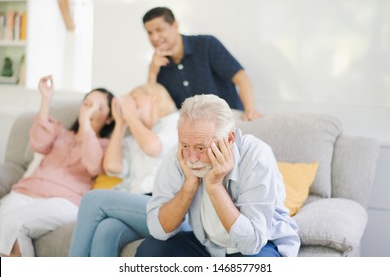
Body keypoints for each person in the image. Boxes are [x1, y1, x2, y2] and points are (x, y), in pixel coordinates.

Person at [135, 94, 300, 257]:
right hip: (209, 246)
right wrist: (189, 186)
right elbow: (159, 231)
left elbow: (251, 244)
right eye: (185, 145)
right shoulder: (180, 155)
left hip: (262, 245)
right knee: (150, 251)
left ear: (229, 138)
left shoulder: (257, 156)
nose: (191, 158)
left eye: (200, 148)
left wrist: (215, 186)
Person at [0, 75, 115, 257]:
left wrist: (86, 122)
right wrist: (46, 99)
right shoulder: (60, 132)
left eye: (99, 108)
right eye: (87, 104)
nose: (90, 110)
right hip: (26, 191)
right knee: (6, 228)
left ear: (109, 118)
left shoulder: (104, 145)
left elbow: (93, 165)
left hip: (64, 201)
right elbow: (38, 142)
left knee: (12, 223)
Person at [68, 82, 179, 256]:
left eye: (134, 98)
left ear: (153, 98)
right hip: (140, 206)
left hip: (168, 209)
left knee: (92, 199)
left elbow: (153, 147)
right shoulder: (133, 138)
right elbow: (112, 166)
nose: (130, 104)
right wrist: (120, 123)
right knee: (107, 230)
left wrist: (130, 114)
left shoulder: (175, 122)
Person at [142, 7, 262, 121]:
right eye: (149, 33)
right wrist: (152, 73)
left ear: (175, 25)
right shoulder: (158, 66)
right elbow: (152, 106)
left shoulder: (206, 44)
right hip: (193, 134)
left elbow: (241, 78)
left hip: (227, 121)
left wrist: (249, 110)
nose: (154, 37)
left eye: (159, 30)